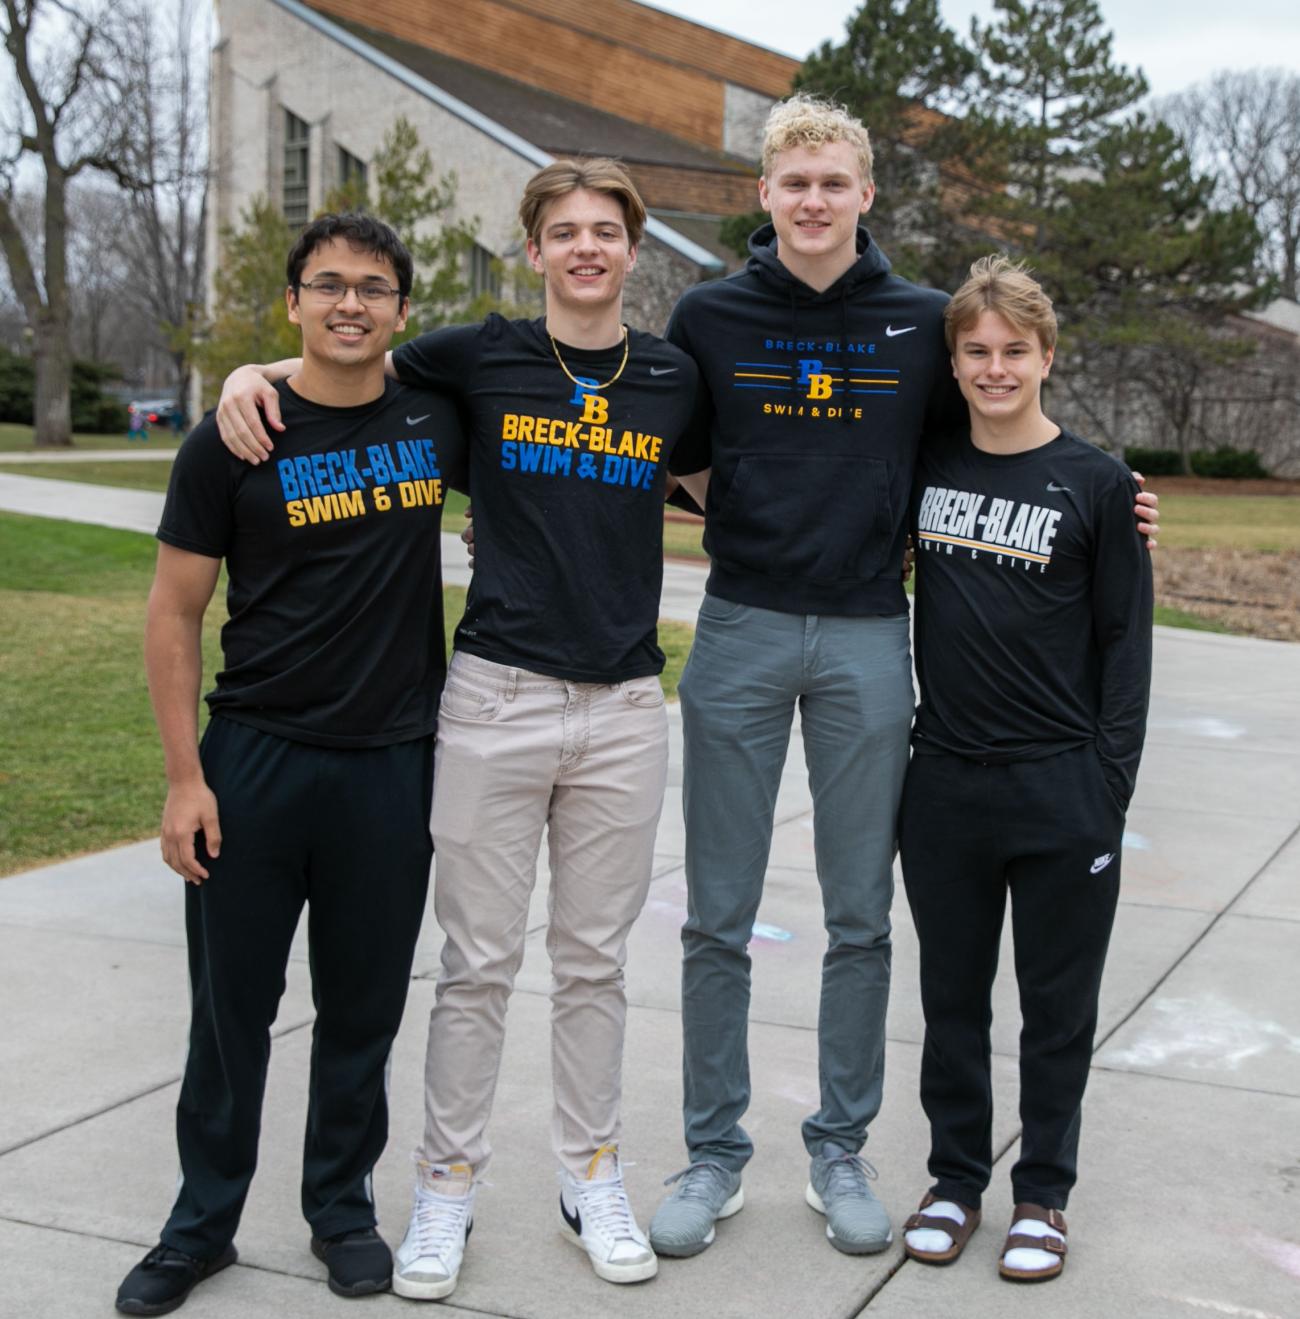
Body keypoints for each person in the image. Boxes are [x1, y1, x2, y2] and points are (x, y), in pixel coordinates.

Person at [648, 94, 1158, 1260]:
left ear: (866, 194)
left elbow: (1001, 407)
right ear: (764, 195)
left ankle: (839, 1147)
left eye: (835, 181)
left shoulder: (920, 322)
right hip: (741, 626)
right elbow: (660, 455)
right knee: (716, 911)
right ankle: (714, 1150)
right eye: (794, 182)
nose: (814, 200)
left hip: (874, 635)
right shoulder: (709, 313)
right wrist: (769, 512)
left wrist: (1104, 486)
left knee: (861, 916)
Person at [214, 159, 710, 1298]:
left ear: (633, 251)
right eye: (562, 230)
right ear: (530, 251)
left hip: (627, 706)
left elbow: (738, 488)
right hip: (494, 698)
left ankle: (591, 1175)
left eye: (606, 231)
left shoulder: (676, 375)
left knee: (592, 965)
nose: (586, 247)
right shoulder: (472, 355)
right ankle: (446, 1188)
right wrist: (250, 369)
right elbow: (345, 359)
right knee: (477, 965)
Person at [116, 213, 466, 1315]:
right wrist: (185, 776)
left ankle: (341, 1210)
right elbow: (174, 614)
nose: (349, 303)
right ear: (294, 304)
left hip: (391, 765)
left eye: (372, 286)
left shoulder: (437, 418)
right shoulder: (234, 436)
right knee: (230, 1010)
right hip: (255, 757)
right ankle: (198, 1224)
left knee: (360, 1010)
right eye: (327, 285)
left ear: (403, 310)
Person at [897, 256, 1151, 1282]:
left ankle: (1041, 1191)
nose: (994, 366)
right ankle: (954, 1178)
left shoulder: (1096, 484)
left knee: (1057, 1008)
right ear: (952, 362)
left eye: (1013, 350)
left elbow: (1125, 645)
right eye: (975, 351)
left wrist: (1107, 783)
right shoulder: (925, 467)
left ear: (1047, 355)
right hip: (946, 783)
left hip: (1060, 789)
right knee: (951, 1000)